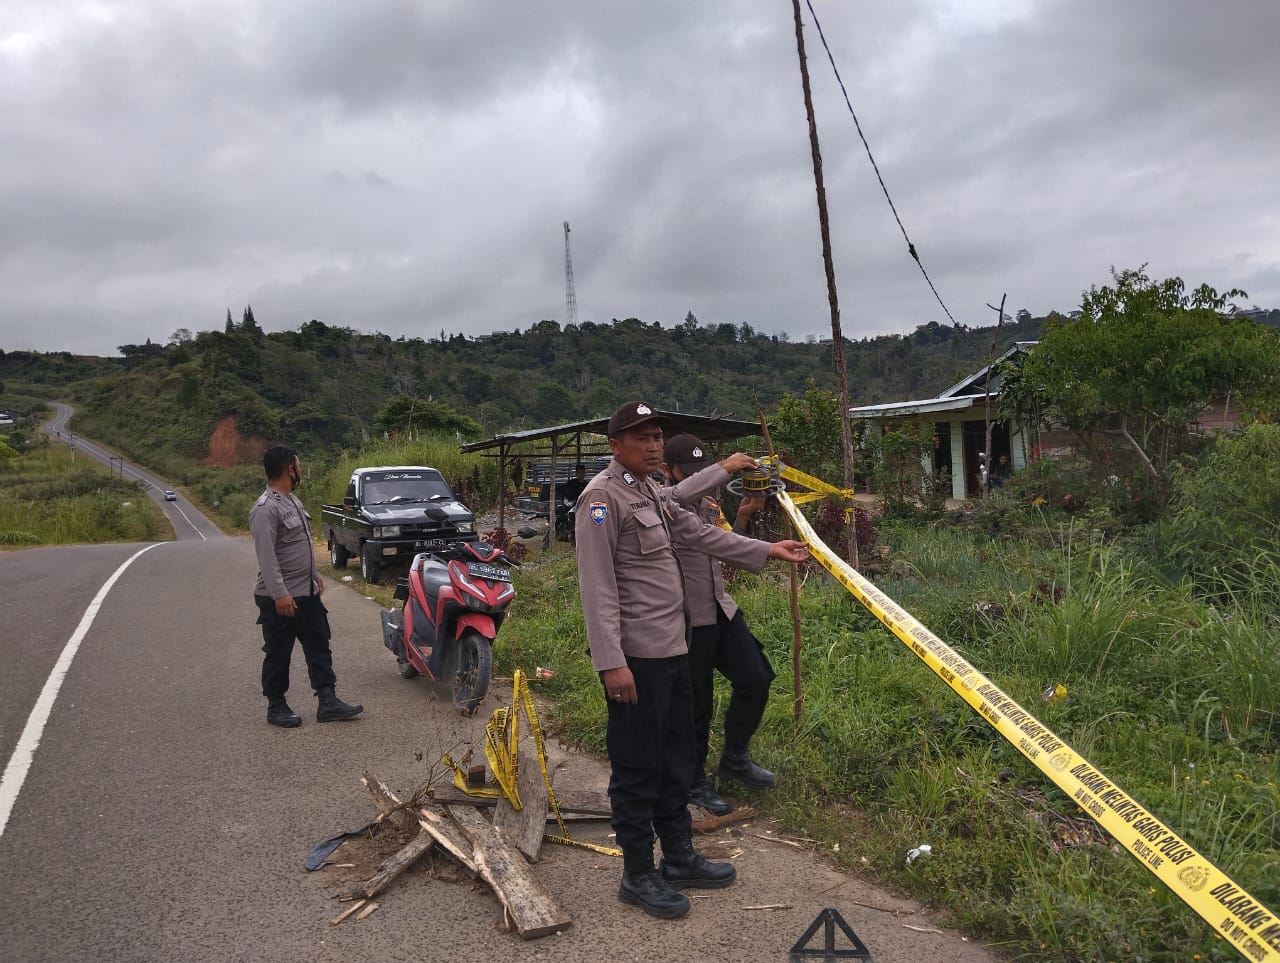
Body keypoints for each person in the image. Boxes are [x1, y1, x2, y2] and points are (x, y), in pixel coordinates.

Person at [576, 402, 809, 920]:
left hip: (677, 647)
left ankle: (678, 855)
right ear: (615, 446)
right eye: (640, 438)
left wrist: (766, 550)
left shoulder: (652, 493)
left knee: (680, 756)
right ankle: (638, 874)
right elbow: (597, 587)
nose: (653, 445)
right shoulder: (601, 499)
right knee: (639, 766)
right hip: (637, 658)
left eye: (656, 435)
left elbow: (700, 535)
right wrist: (610, 661)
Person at [663, 433, 777, 817]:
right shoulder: (661, 503)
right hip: (687, 619)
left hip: (720, 609)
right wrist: (724, 468)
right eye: (691, 472)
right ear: (668, 471)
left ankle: (735, 758)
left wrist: (742, 516)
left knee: (756, 677)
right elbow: (680, 503)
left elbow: (727, 545)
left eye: (704, 469)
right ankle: (693, 781)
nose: (701, 477)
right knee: (696, 705)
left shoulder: (709, 503)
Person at [250, 445, 363, 728]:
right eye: (298, 465)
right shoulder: (266, 508)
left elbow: (301, 546)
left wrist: (315, 576)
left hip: (307, 592)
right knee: (278, 652)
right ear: (289, 469)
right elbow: (267, 556)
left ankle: (328, 701)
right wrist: (280, 595)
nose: (301, 469)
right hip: (282, 597)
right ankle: (276, 706)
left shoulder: (293, 501)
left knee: (319, 646)